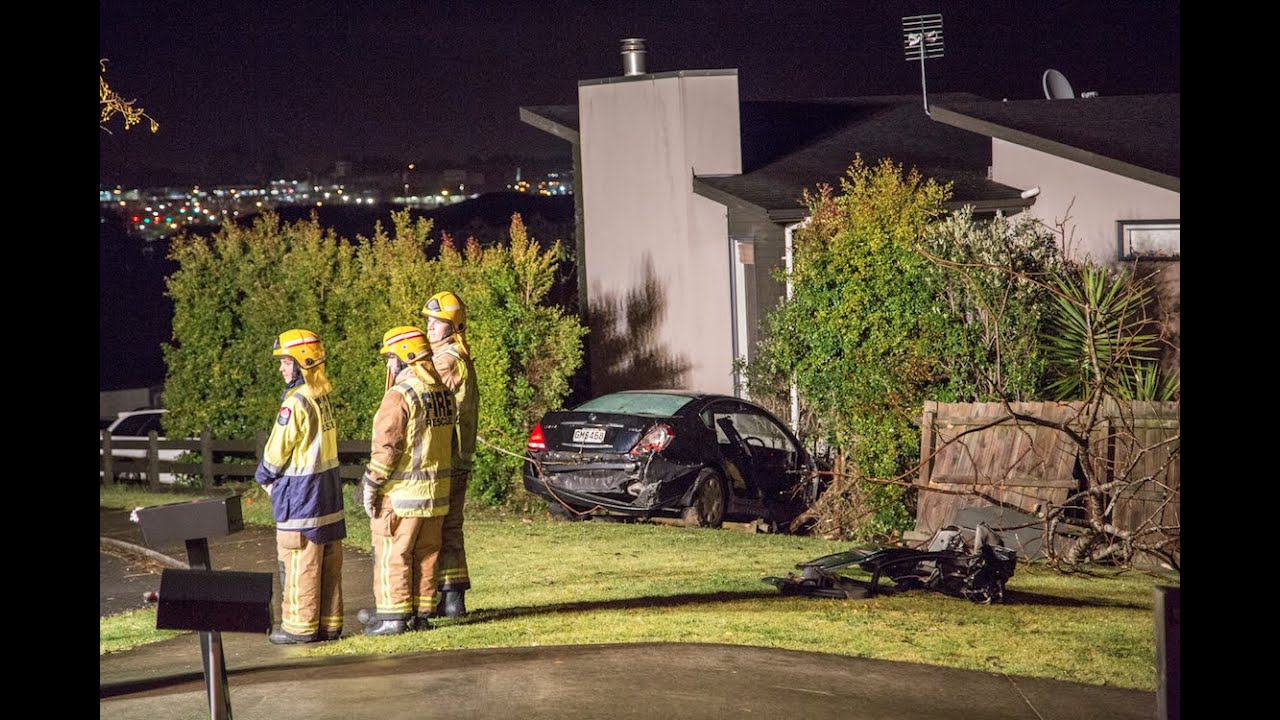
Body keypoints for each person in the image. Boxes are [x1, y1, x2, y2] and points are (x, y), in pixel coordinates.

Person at [360, 325, 457, 635]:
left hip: (401, 495)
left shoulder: (400, 395)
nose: (388, 365)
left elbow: (386, 447)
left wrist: (372, 484)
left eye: (391, 358)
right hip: (436, 495)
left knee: (393, 553)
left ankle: (393, 618)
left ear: (405, 358)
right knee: (427, 555)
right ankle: (421, 616)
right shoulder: (442, 392)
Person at [254, 328, 346, 644]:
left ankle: (300, 629)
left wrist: (263, 475)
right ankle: (329, 625)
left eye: (285, 361)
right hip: (328, 496)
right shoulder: (322, 397)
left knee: (300, 565)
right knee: (329, 565)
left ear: (301, 362)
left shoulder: (295, 403)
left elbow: (277, 452)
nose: (281, 368)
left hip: (301, 498)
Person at [422, 290, 479, 618]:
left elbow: (418, 392)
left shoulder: (446, 360)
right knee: (449, 527)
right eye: (428, 321)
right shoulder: (457, 355)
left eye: (437, 322)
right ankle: (452, 597)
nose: (430, 327)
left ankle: (438, 599)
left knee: (436, 528)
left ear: (453, 325)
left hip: (446, 456)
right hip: (456, 455)